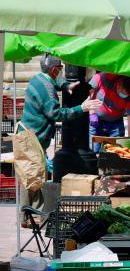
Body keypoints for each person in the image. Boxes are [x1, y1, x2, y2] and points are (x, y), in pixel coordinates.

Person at [20, 55, 101, 220]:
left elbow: (55, 83)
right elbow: (56, 114)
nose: (62, 72)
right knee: (31, 178)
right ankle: (28, 216)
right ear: (54, 70)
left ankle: (32, 215)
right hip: (33, 138)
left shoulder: (39, 79)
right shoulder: (47, 89)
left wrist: (66, 85)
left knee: (35, 176)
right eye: (61, 69)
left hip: (30, 136)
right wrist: (82, 108)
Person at [88, 72, 130, 152]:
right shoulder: (104, 78)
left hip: (116, 124)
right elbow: (88, 91)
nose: (123, 96)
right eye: (122, 93)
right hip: (96, 121)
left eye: (126, 95)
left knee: (116, 153)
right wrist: (92, 112)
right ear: (118, 85)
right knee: (93, 151)